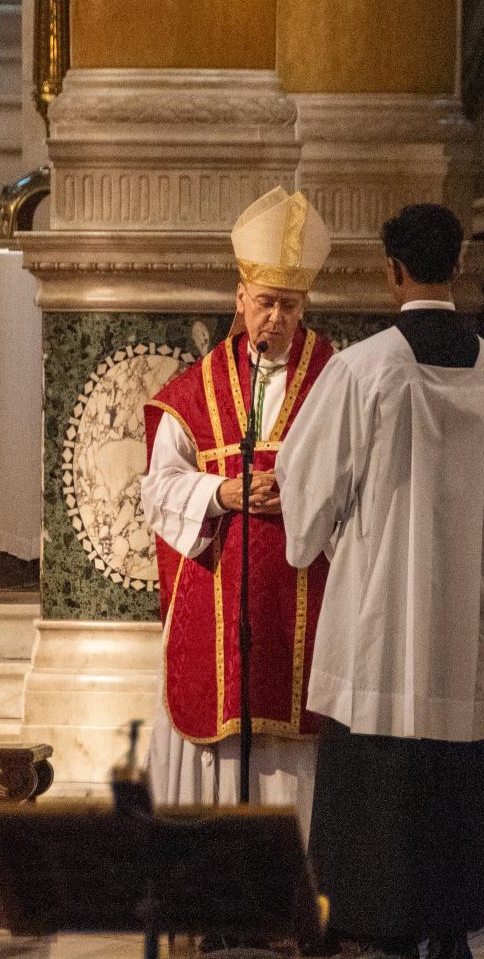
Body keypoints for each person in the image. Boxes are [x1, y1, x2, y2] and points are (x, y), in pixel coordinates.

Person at [276, 203, 484, 959]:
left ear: (392, 269)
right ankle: (448, 925)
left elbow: (305, 489)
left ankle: (371, 921)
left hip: (380, 610)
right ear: (458, 266)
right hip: (461, 614)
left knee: (375, 772)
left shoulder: (365, 365)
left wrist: (312, 533)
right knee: (451, 765)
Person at [140, 187, 335, 830]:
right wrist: (221, 494)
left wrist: (302, 495)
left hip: (309, 598)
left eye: (288, 305)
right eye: (265, 303)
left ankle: (305, 903)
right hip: (217, 597)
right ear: (240, 299)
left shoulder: (340, 381)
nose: (275, 319)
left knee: (300, 746)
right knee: (223, 738)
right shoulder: (194, 390)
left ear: (305, 306)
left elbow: (367, 484)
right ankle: (217, 903)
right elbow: (158, 487)